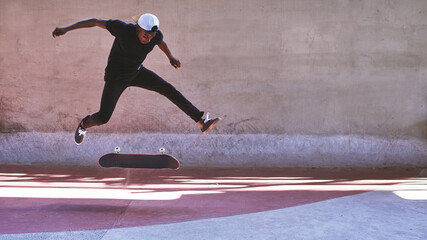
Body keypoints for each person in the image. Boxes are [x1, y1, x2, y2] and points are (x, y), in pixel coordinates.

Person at [52, 13, 220, 145]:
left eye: (151, 36)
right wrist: (66, 28)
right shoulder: (122, 29)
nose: (148, 39)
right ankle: (83, 125)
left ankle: (200, 120)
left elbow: (161, 42)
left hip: (137, 72)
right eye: (145, 35)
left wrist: (170, 57)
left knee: (167, 88)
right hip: (116, 78)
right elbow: (95, 21)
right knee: (104, 117)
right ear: (137, 28)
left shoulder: (156, 36)